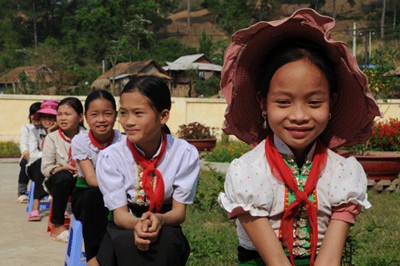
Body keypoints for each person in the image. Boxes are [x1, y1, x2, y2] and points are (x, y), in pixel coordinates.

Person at [218, 9, 381, 266]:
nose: (299, 115)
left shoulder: (343, 173)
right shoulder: (248, 173)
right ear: (263, 103)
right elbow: (275, 262)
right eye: (283, 102)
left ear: (331, 103)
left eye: (314, 102)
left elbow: (330, 260)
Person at [96, 75, 200, 266]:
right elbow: (120, 216)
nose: (128, 122)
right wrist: (140, 225)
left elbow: (179, 213)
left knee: (167, 242)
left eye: (138, 113)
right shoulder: (111, 157)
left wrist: (159, 220)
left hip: (166, 221)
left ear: (163, 116)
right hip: (125, 223)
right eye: (124, 113)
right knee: (128, 243)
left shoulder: (184, 153)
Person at [71, 89, 123, 266]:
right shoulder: (80, 141)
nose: (101, 120)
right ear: (85, 117)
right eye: (94, 114)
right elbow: (92, 180)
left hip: (117, 193)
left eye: (107, 114)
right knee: (96, 199)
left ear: (116, 115)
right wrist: (119, 187)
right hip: (86, 193)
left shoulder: (123, 140)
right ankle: (95, 257)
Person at [41, 97, 85, 242]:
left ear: (80, 117)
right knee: (64, 176)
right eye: (59, 114)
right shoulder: (52, 138)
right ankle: (58, 225)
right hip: (57, 181)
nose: (62, 118)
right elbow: (45, 168)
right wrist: (60, 168)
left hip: (82, 179)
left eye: (67, 114)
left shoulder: (87, 137)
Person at [26, 99, 59, 221]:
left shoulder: (60, 132)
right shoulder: (33, 132)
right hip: (34, 167)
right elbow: (33, 154)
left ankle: (58, 206)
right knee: (42, 163)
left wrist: (50, 133)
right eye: (45, 116)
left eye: (52, 117)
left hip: (55, 167)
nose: (48, 120)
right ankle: (36, 205)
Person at [17, 101, 41, 203]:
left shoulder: (46, 128)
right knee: (25, 164)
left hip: (42, 156)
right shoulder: (26, 127)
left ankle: (49, 191)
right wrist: (26, 152)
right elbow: (23, 142)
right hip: (29, 156)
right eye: (32, 114)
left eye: (38, 115)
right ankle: (21, 192)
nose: (34, 117)